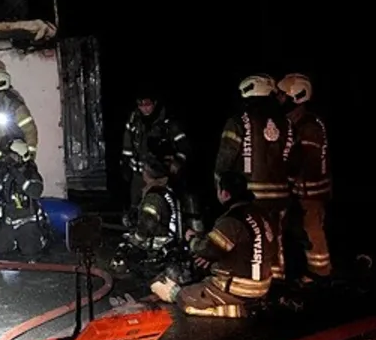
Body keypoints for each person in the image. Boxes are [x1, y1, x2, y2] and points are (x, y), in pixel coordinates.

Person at [151, 171, 277, 318]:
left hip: (238, 288)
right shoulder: (260, 214)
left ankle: (240, 310)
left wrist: (192, 239)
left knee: (187, 300)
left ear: (225, 194)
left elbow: (206, 249)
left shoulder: (231, 221)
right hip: (263, 286)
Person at [214, 74, 293, 280]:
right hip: (281, 196)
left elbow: (225, 159)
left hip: (250, 196)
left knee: (253, 239)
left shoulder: (239, 121)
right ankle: (278, 280)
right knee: (276, 238)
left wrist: (221, 187)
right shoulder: (286, 122)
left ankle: (255, 282)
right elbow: (290, 158)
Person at [277, 73, 332, 282]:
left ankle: (320, 273)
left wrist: (286, 172)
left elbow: (306, 161)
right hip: (300, 191)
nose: (279, 99)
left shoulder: (309, 125)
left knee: (312, 233)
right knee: (298, 233)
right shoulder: (293, 122)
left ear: (296, 96)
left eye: (283, 94)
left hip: (311, 193)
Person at [121, 93, 191, 208]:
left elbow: (184, 146)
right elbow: (127, 146)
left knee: (160, 207)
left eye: (147, 104)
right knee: (137, 208)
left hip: (160, 176)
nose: (144, 108)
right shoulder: (134, 120)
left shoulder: (167, 122)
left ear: (154, 103)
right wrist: (125, 163)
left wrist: (178, 161)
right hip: (138, 176)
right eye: (140, 104)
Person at [0, 139, 49, 261]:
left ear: (20, 156)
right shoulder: (5, 172)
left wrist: (15, 173)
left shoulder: (31, 173)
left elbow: (35, 192)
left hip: (28, 222)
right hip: (9, 221)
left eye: (11, 156)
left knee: (30, 254)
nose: (7, 158)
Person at [0, 69, 39, 158]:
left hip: (14, 153)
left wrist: (30, 154)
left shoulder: (14, 104)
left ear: (0, 84)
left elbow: (29, 130)